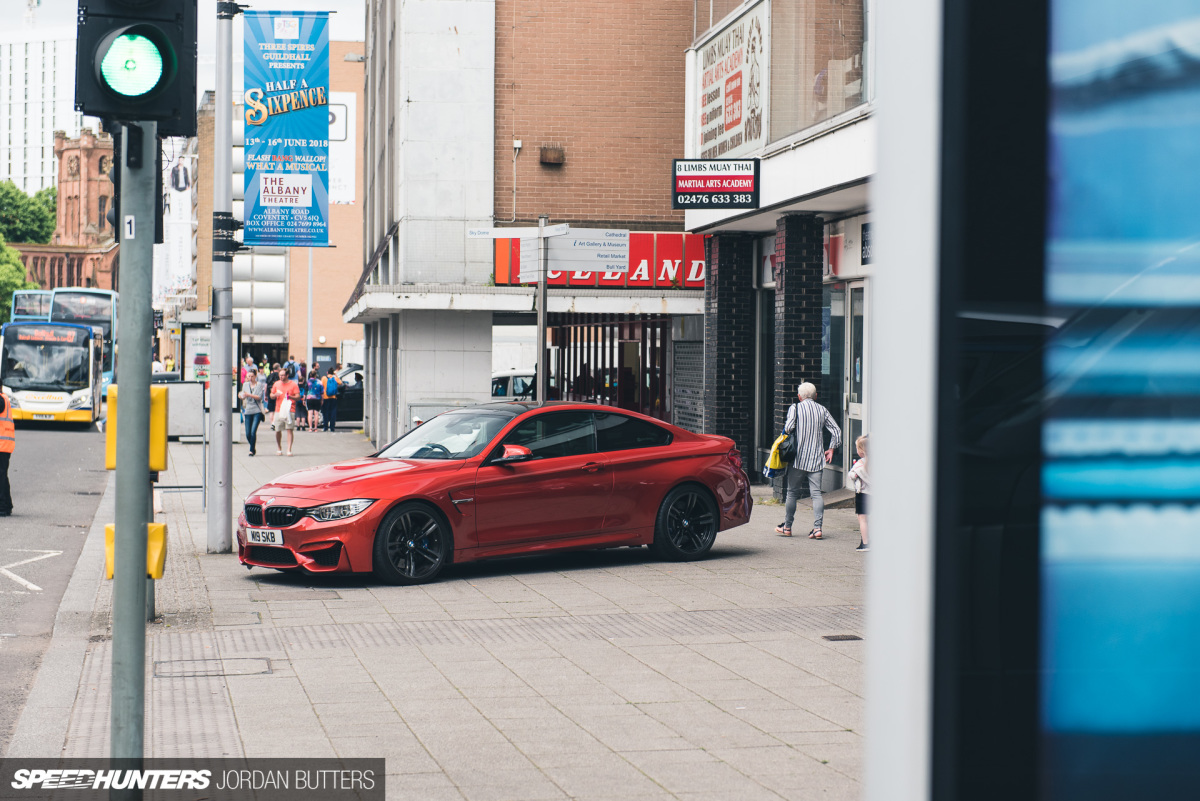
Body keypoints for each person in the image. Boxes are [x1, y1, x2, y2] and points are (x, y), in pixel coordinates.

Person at [775, 382, 841, 539]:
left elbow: (789, 427)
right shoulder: (822, 409)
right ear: (815, 396)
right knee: (816, 494)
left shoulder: (795, 408)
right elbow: (836, 431)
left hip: (797, 458)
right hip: (817, 458)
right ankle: (817, 528)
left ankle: (787, 527)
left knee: (792, 492)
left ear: (799, 396)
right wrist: (831, 448)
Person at [270, 366, 300, 456]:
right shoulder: (276, 384)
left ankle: (289, 449)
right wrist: (275, 395)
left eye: (283, 375)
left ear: (287, 375)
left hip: (290, 409)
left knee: (289, 429)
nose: (281, 377)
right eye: (280, 375)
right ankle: (279, 448)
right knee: (277, 429)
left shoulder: (293, 384)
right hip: (278, 409)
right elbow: (271, 395)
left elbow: (298, 397)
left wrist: (290, 397)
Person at [848, 434, 870, 552]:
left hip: (862, 494)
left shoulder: (860, 464)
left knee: (863, 519)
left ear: (861, 450)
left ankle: (865, 543)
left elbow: (851, 475)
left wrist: (855, 474)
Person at [239, 367, 266, 456]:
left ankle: (251, 450)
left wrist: (248, 394)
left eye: (252, 376)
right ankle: (253, 446)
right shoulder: (245, 385)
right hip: (248, 410)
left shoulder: (259, 385)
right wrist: (241, 396)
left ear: (255, 376)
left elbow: (259, 397)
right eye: (248, 376)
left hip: (257, 410)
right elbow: (243, 395)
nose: (250, 378)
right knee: (247, 433)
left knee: (253, 431)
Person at [0, 391, 13, 515]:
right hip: (4, 445)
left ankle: (3, 507)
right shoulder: (4, 398)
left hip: (2, 445)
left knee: (1, 476)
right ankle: (6, 505)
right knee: (2, 476)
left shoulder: (1, 399)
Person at [321, 366, 342, 432]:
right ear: (333, 373)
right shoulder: (335, 378)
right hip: (333, 397)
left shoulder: (324, 378)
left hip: (325, 397)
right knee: (333, 412)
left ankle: (325, 427)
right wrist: (336, 375)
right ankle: (332, 427)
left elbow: (321, 386)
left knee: (325, 412)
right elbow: (340, 383)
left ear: (327, 372)